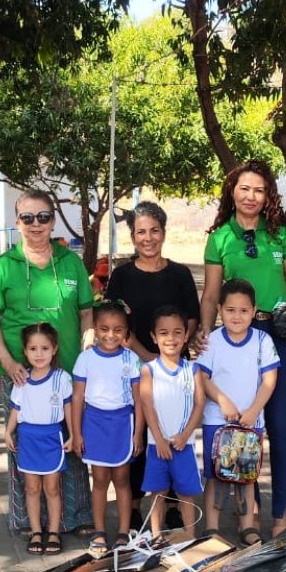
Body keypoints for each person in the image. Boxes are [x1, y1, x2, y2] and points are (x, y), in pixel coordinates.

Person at [199, 161, 286, 536]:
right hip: (237, 335)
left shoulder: (281, 235)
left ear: (268, 196)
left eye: (259, 190)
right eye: (244, 188)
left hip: (278, 335)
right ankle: (252, 512)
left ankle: (281, 515)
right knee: (245, 424)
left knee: (276, 425)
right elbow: (212, 294)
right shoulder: (220, 238)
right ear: (233, 191)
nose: (250, 196)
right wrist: (203, 331)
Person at [0, 190, 94, 535]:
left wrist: (87, 348)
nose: (36, 225)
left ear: (53, 220)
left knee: (71, 441)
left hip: (70, 373)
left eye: (43, 217)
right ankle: (28, 521)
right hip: (22, 377)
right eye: (27, 218)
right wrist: (7, 360)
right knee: (24, 444)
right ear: (17, 223)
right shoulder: (4, 267)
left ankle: (75, 517)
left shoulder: (71, 262)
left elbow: (87, 312)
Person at [106, 201, 200, 524]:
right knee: (138, 435)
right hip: (131, 368)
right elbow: (114, 323)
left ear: (163, 232)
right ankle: (132, 507)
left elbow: (192, 320)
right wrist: (146, 358)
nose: (148, 238)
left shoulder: (180, 274)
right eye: (140, 232)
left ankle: (174, 505)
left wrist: (169, 356)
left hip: (174, 370)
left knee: (172, 431)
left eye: (154, 231)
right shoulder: (121, 276)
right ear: (132, 236)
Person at [198, 278, 279, 545]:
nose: (237, 316)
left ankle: (247, 526)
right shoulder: (212, 341)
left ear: (254, 311)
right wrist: (223, 401)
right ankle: (212, 528)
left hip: (250, 422)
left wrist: (254, 410)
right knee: (216, 475)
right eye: (230, 310)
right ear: (220, 309)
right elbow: (203, 377)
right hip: (216, 421)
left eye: (244, 310)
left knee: (245, 475)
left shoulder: (262, 340)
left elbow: (269, 379)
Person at [70, 299, 143, 555]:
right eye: (104, 329)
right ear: (95, 328)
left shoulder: (132, 359)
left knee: (122, 479)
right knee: (99, 479)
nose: (110, 335)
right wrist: (77, 432)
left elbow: (139, 399)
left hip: (123, 424)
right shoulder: (86, 359)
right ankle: (99, 531)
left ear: (126, 331)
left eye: (118, 329)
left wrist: (138, 433)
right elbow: (77, 397)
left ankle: (123, 532)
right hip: (94, 423)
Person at [4, 323, 72, 556]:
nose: (39, 354)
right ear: (25, 351)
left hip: (52, 437)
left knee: (52, 488)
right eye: (33, 349)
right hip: (28, 439)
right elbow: (16, 408)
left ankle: (53, 532)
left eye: (45, 348)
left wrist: (73, 434)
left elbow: (69, 407)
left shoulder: (61, 378)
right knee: (32, 488)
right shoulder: (22, 379)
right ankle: (35, 531)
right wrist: (7, 432)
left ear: (54, 349)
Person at [140, 306, 205, 538]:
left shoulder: (193, 369)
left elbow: (199, 405)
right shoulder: (149, 370)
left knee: (186, 493)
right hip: (156, 444)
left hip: (184, 445)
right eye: (164, 333)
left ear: (186, 335)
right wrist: (158, 439)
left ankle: (189, 537)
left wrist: (185, 435)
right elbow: (147, 405)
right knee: (158, 491)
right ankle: (156, 537)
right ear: (154, 337)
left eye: (178, 332)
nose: (171, 338)